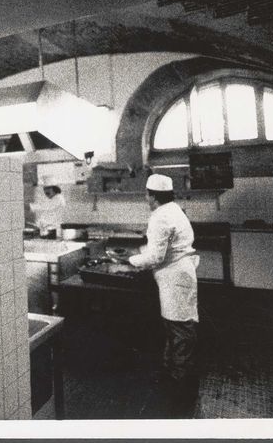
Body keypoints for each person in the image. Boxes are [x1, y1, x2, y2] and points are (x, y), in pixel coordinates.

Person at [117, 173, 200, 415]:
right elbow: (162, 248)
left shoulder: (160, 217)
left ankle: (182, 391)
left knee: (180, 330)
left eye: (147, 195)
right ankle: (172, 376)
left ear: (152, 196)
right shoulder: (174, 209)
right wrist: (145, 252)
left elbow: (156, 257)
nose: (146, 198)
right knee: (175, 329)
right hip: (179, 274)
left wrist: (131, 259)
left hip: (175, 279)